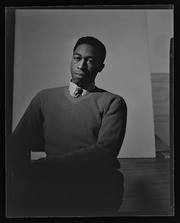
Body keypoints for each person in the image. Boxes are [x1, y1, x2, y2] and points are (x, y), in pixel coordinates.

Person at [10, 36, 127, 216]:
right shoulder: (44, 98)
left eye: (90, 60)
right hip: (52, 179)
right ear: (71, 59)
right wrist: (23, 173)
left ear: (100, 67)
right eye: (77, 58)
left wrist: (50, 164)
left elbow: (106, 150)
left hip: (93, 180)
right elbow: (18, 142)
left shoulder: (112, 102)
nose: (81, 66)